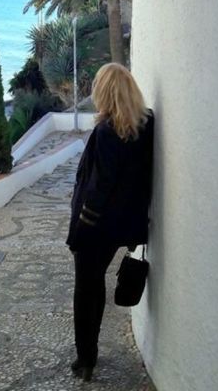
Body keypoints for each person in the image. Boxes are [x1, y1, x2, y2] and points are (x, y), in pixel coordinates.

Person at [67, 62, 154, 382]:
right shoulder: (145, 126)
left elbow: (99, 186)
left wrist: (81, 226)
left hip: (97, 225)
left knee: (85, 290)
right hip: (124, 223)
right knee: (95, 282)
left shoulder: (106, 132)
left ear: (104, 92)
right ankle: (88, 353)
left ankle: (85, 358)